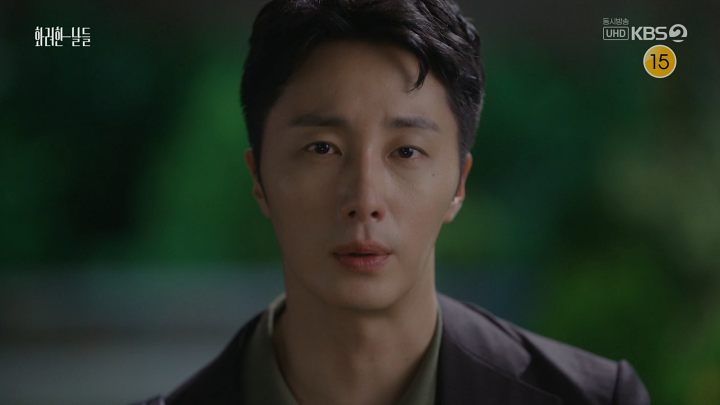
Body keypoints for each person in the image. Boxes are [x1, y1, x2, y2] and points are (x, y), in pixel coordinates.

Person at [132, 0, 650, 404]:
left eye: (406, 151)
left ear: (459, 184)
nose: (364, 199)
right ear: (259, 179)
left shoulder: (594, 398)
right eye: (322, 148)